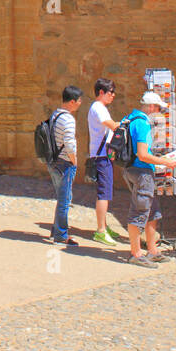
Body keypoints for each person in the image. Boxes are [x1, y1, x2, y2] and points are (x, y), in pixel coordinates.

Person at [122, 91, 176, 267]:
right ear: (152, 106)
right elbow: (143, 154)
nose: (158, 111)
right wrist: (165, 162)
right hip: (142, 172)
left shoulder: (130, 119)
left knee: (152, 210)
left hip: (132, 169)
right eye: (157, 108)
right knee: (139, 211)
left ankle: (152, 249)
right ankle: (136, 253)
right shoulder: (143, 124)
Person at [47, 85, 83, 246]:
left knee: (62, 196)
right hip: (65, 163)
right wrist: (74, 160)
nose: (80, 103)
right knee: (65, 199)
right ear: (72, 101)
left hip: (53, 161)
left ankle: (56, 230)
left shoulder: (55, 115)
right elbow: (69, 143)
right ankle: (61, 235)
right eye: (79, 100)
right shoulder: (68, 119)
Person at [88, 77, 121, 246]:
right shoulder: (98, 108)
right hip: (102, 156)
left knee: (106, 192)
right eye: (110, 92)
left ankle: (104, 226)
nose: (113, 96)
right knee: (104, 194)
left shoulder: (99, 108)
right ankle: (100, 231)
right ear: (101, 92)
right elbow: (112, 125)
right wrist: (123, 124)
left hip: (103, 154)